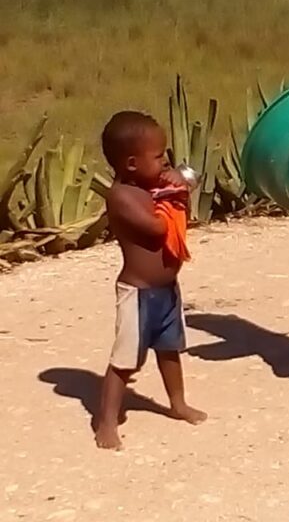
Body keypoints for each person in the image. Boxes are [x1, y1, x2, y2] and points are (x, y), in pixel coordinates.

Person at [94, 111, 206, 450]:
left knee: (169, 349)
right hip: (138, 293)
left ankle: (177, 403)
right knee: (126, 360)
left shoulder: (151, 189)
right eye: (158, 157)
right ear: (131, 163)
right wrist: (171, 194)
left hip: (166, 290)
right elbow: (157, 228)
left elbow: (178, 214)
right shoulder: (122, 197)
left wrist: (175, 191)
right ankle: (106, 421)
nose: (165, 162)